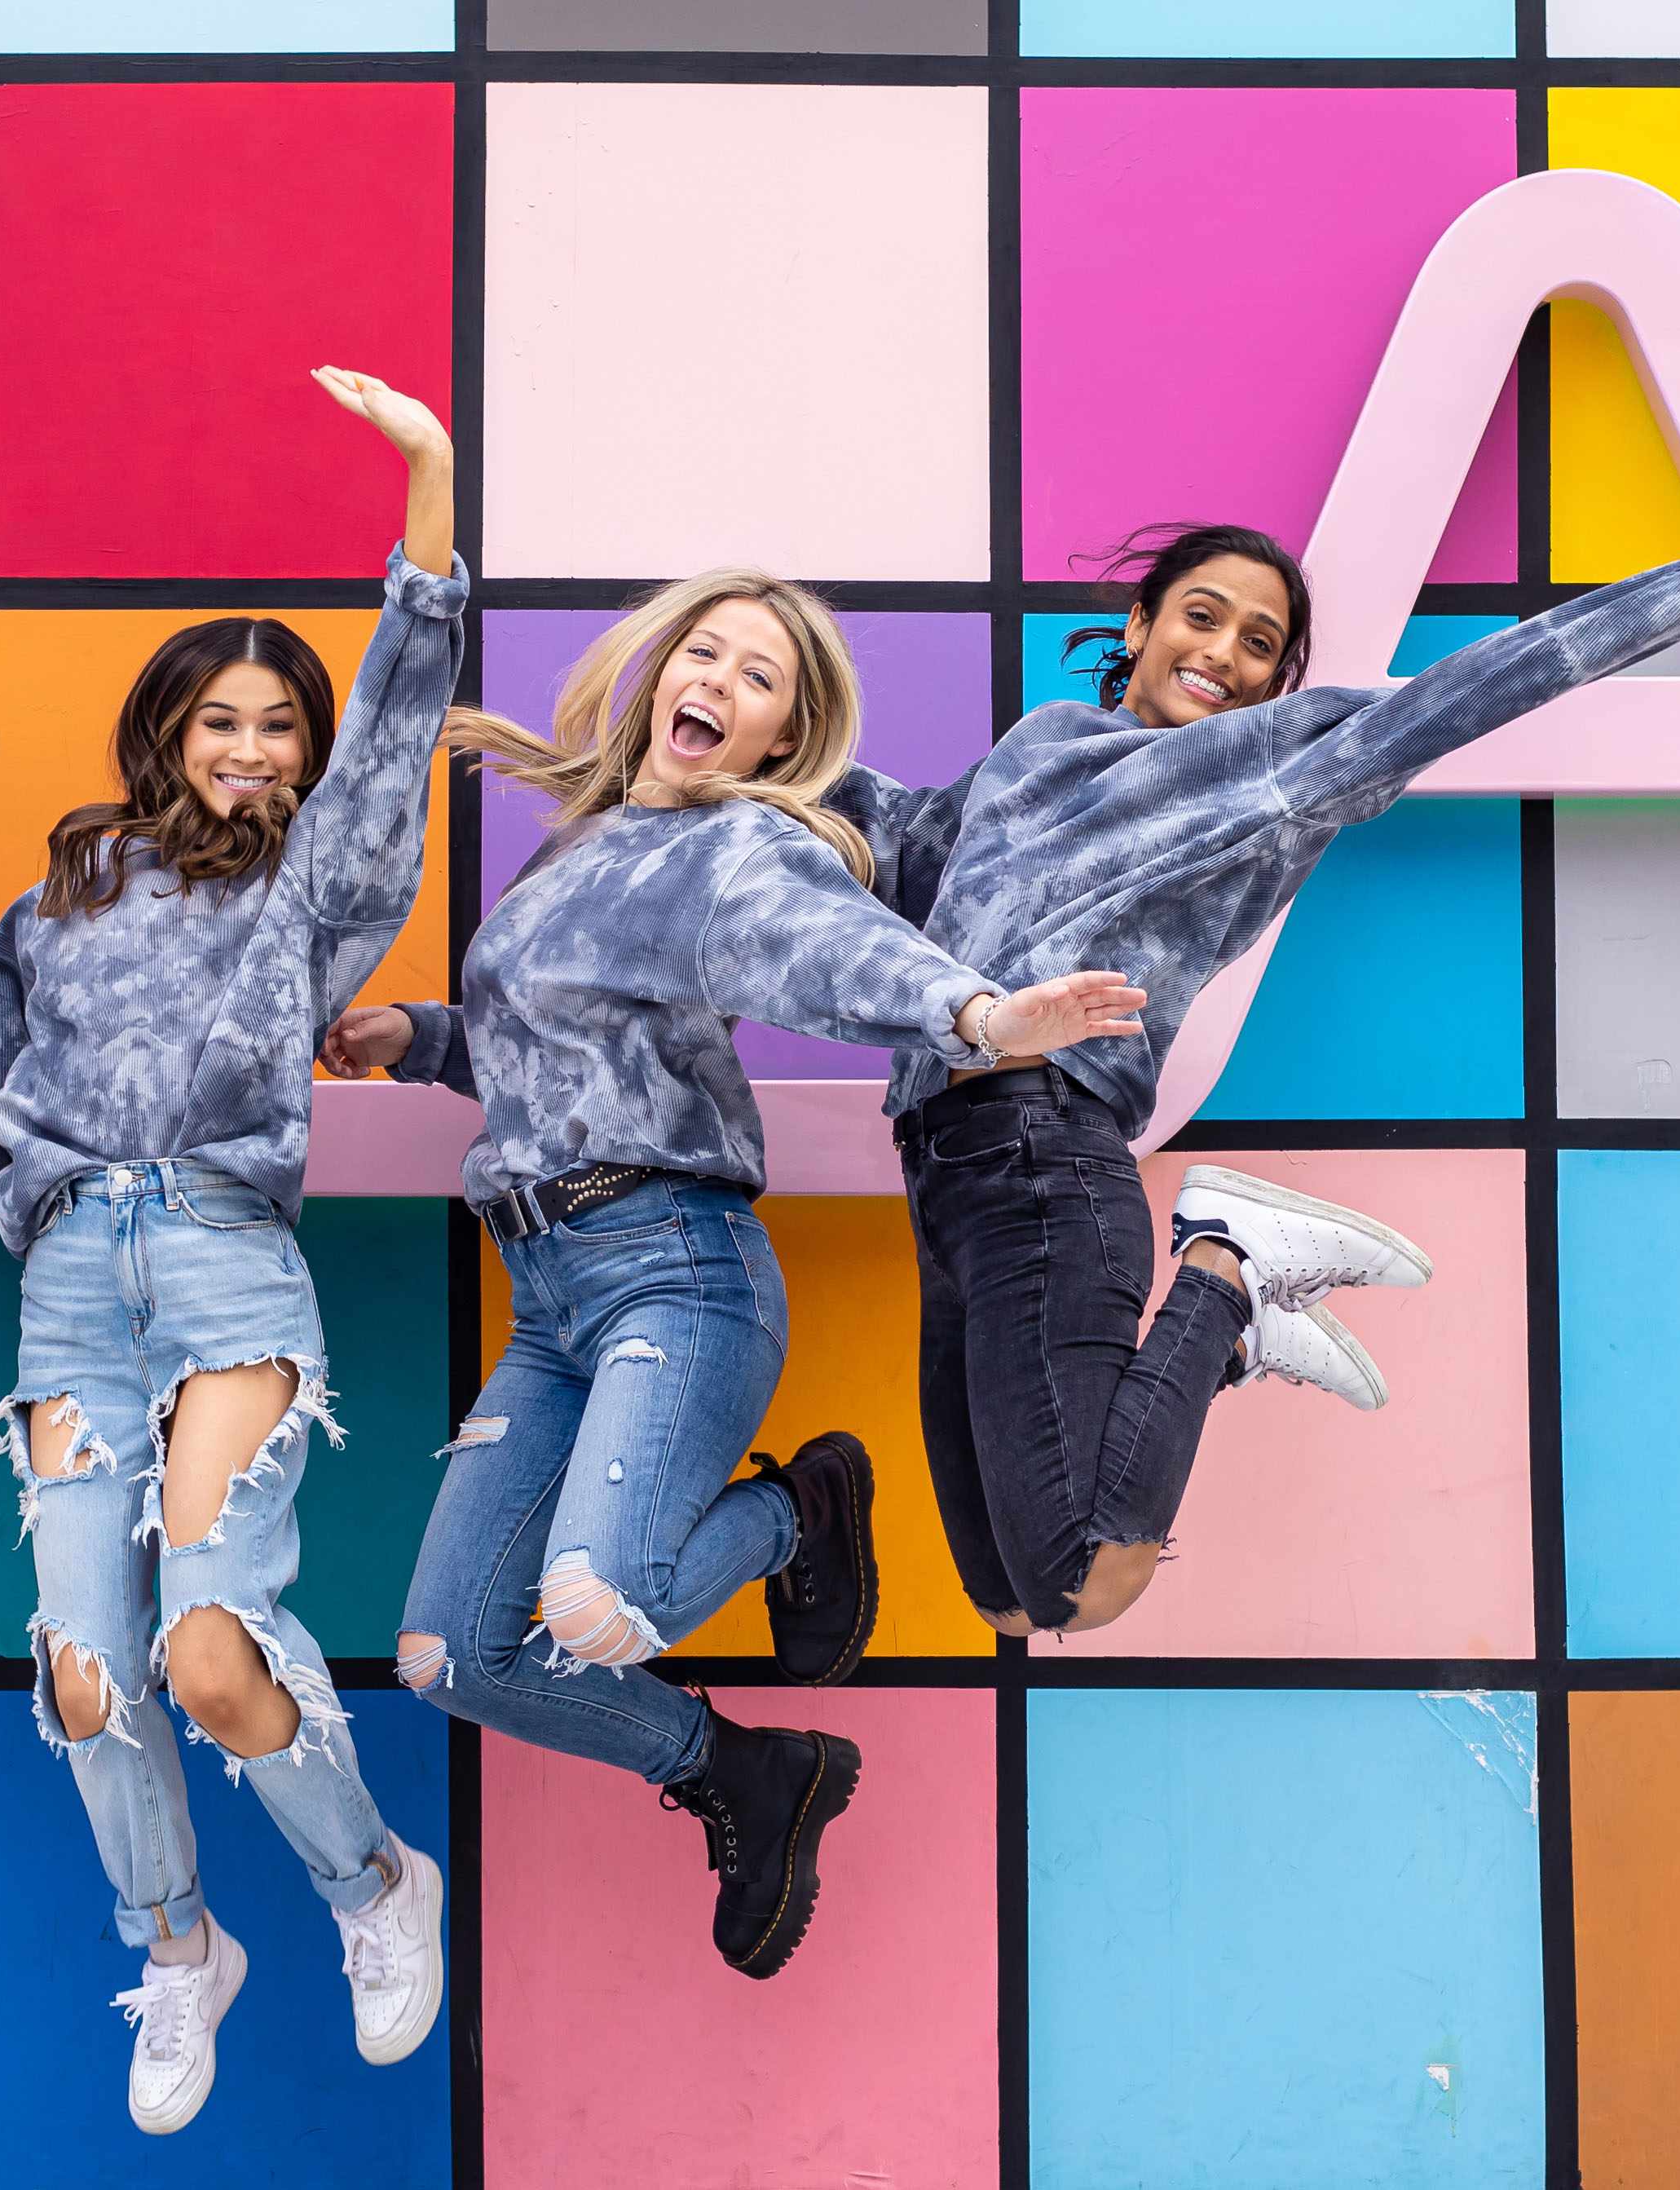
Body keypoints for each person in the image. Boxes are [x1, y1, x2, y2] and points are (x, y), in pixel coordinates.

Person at [323, 570, 1140, 1981]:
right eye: (703, 651)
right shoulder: (581, 850)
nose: (719, 681)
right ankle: (743, 1772)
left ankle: (799, 1507)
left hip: (675, 1273)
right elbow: (556, 1049)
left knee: (599, 1605)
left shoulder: (734, 849)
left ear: (778, 740)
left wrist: (976, 1012)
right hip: (554, 1297)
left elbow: (834, 950)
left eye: (759, 678)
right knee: (449, 1659)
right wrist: (422, 1031)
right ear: (653, 675)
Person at [856, 522, 1680, 1642]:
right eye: (1201, 615)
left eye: (1259, 641)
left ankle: (1227, 1260)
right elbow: (905, 840)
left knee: (1086, 1579)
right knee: (1007, 1603)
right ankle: (1228, 1336)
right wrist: (696, 767)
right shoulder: (1043, 740)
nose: (1222, 649)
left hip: (1046, 1152)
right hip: (940, 1169)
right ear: (1140, 626)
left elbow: (1477, 685)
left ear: (1278, 679)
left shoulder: (1273, 760)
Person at [0, 370, 461, 2133]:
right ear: (167, 730)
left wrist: (426, 485)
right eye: (225, 718)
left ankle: (371, 1891)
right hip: (61, 1283)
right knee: (81, 1664)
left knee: (212, 1648)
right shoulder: (59, 897)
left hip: (215, 1264)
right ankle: (177, 1943)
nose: (259, 747)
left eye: (282, 721)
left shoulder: (318, 894)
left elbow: (399, 723)